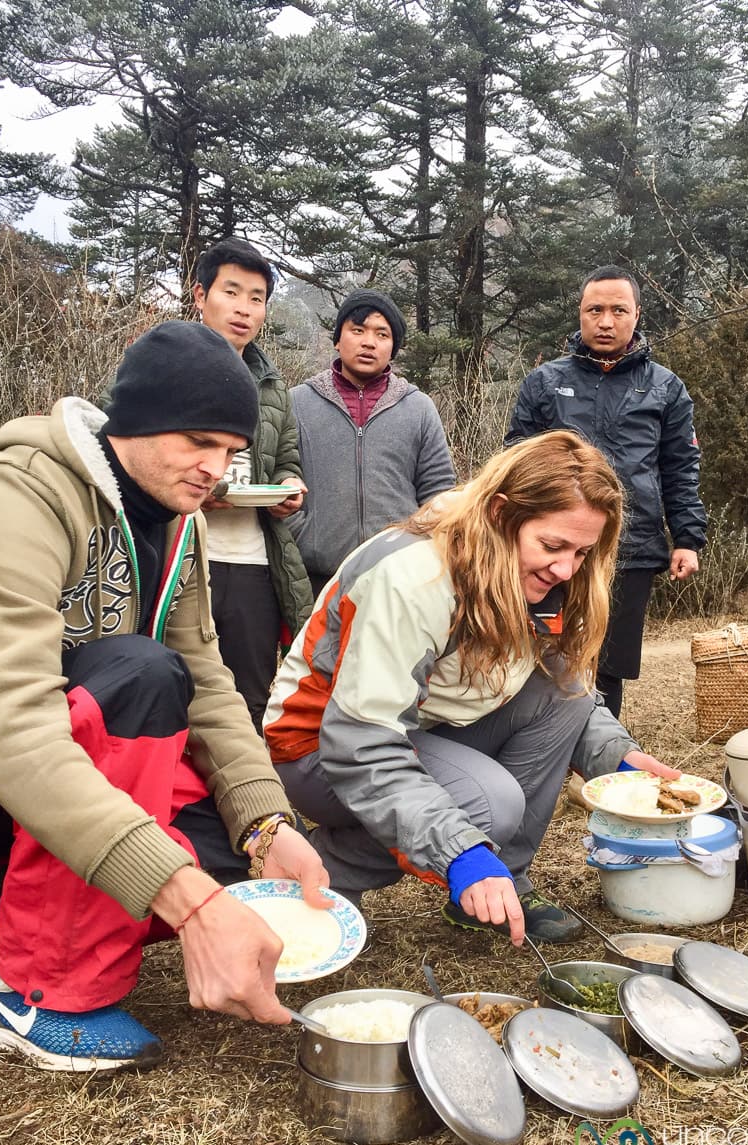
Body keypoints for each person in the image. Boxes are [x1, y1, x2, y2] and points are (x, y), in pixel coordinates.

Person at [0, 321, 330, 1073]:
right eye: (200, 443)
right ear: (138, 422)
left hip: (73, 763)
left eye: (232, 452)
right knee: (141, 674)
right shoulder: (20, 497)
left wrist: (268, 824)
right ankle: (30, 987)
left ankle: (43, 915)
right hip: (15, 765)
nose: (218, 469)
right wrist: (190, 906)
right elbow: (12, 727)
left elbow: (209, 684)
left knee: (229, 851)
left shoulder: (180, 524)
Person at [264, 431, 679, 946]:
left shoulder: (544, 572)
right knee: (487, 805)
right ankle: (306, 874)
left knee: (563, 690)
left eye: (582, 551)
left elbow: (560, 681)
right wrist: (456, 847)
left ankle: (500, 882)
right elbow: (362, 742)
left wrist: (619, 760)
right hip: (319, 744)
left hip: (425, 726)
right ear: (502, 514)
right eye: (552, 546)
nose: (566, 568)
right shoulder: (414, 576)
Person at [506, 266, 706, 718]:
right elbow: (516, 463)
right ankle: (538, 743)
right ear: (580, 314)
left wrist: (688, 538)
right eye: (594, 310)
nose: (606, 321)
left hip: (630, 549)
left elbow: (679, 467)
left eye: (619, 310)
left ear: (637, 315)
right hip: (555, 550)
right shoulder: (543, 382)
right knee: (541, 652)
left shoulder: (665, 387)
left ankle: (600, 759)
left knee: (609, 663)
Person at [193, 237, 312, 729]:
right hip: (183, 556)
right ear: (200, 295)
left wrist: (288, 488)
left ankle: (243, 803)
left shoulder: (271, 385)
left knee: (247, 697)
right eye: (232, 292)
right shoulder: (164, 368)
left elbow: (287, 459)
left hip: (253, 563)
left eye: (256, 298)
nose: (244, 309)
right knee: (174, 690)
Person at [288, 288, 456, 600]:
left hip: (400, 578)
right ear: (338, 339)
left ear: (393, 348)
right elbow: (281, 473)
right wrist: (303, 535)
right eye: (357, 330)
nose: (369, 342)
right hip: (316, 578)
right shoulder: (298, 402)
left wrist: (419, 547)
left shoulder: (418, 407)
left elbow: (439, 492)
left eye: (382, 334)